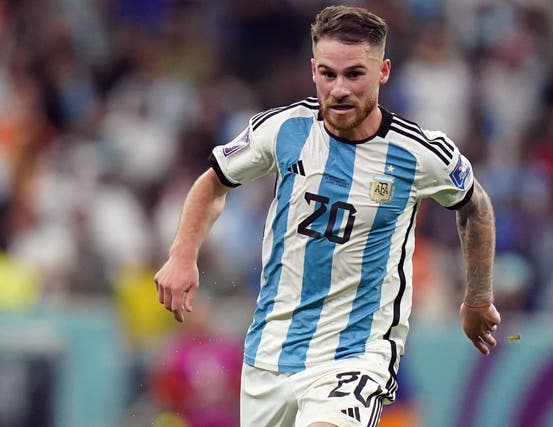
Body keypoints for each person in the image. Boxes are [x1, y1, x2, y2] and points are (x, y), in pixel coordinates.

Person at [154, 5, 501, 427]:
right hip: (271, 353)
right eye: (328, 74)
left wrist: (478, 298)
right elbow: (213, 182)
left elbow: (475, 207)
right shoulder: (282, 129)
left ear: (383, 71)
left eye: (354, 74)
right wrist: (182, 253)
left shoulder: (419, 153)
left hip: (355, 354)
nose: (339, 89)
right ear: (313, 69)